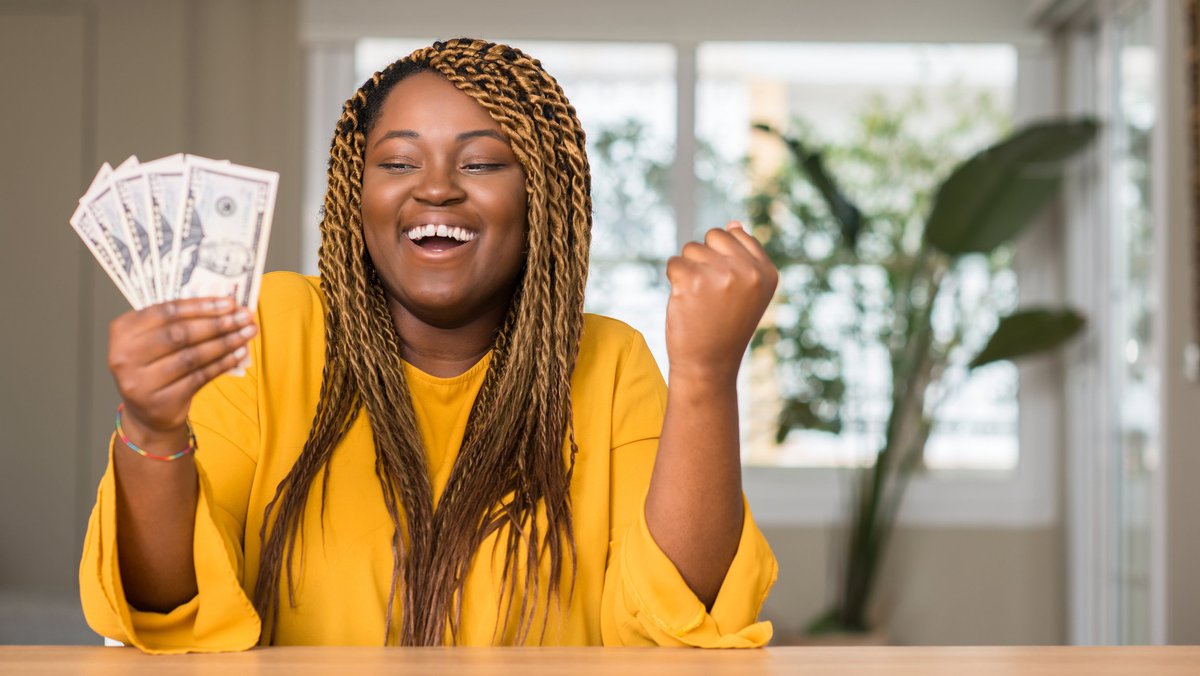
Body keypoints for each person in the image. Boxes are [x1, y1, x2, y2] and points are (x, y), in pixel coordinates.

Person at [79, 38, 779, 653]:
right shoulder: (273, 328)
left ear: (544, 197)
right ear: (356, 195)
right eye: (398, 163)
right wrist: (152, 430)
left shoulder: (607, 364)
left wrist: (704, 378)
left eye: (480, 164)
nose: (436, 189)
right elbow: (169, 606)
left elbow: (680, 626)